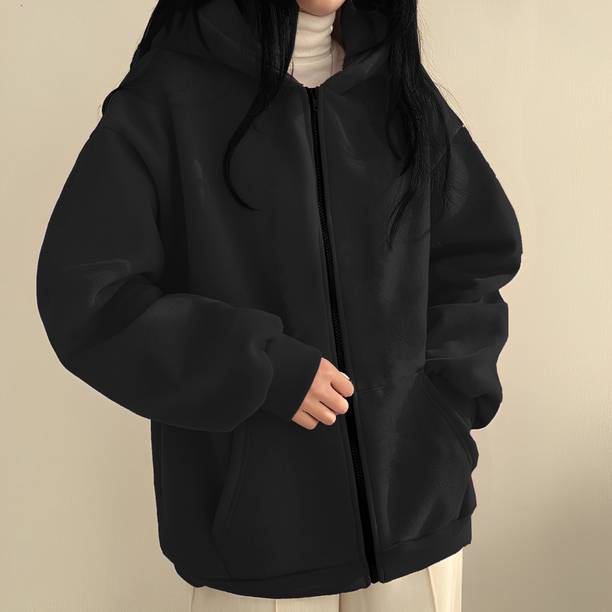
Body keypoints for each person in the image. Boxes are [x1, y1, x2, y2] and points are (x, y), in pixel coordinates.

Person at [35, 0, 522, 610]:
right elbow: (89, 294)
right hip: (258, 539)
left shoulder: (398, 88)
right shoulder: (169, 98)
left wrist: (439, 406)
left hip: (417, 515)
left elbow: (475, 255)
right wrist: (260, 368)